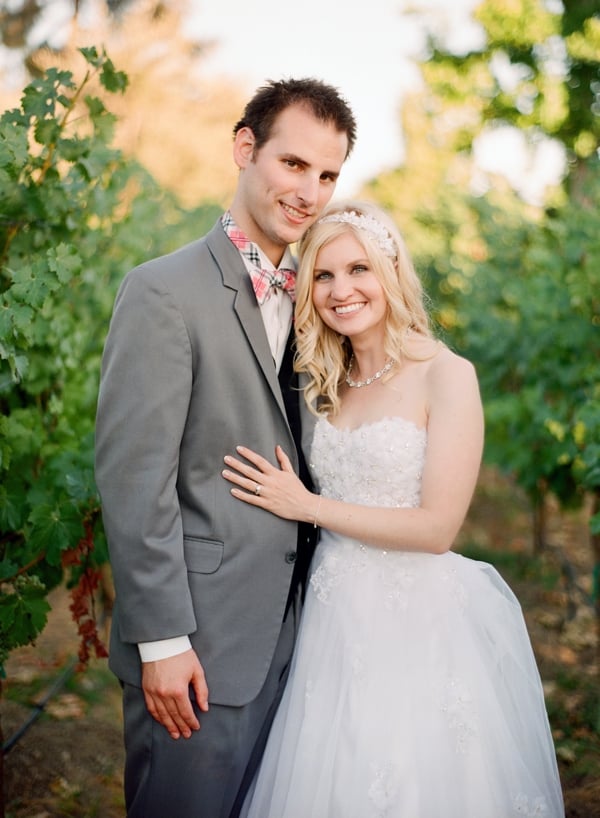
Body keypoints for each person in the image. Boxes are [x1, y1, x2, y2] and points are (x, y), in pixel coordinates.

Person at [222, 200, 565, 818]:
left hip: (416, 621)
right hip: (331, 616)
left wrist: (308, 505)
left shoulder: (446, 375)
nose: (341, 290)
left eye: (359, 269)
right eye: (323, 276)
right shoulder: (325, 377)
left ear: (391, 270)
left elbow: (438, 528)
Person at [94, 78, 356, 818]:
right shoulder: (162, 292)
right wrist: (161, 642)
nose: (310, 191)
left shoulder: (320, 297)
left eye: (328, 175)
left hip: (302, 636)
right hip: (199, 645)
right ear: (246, 148)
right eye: (294, 164)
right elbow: (133, 477)